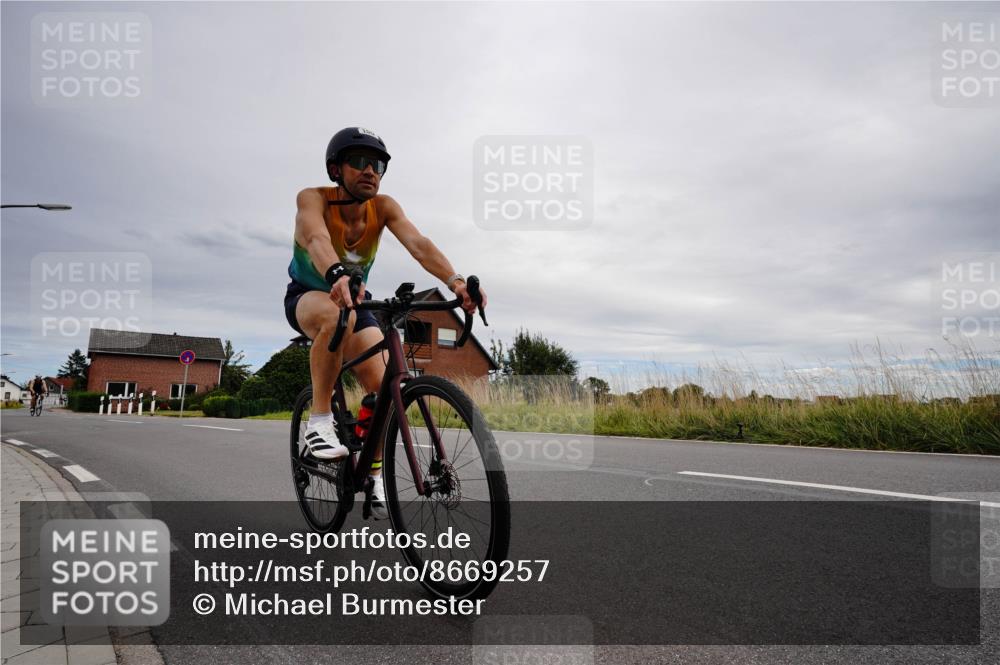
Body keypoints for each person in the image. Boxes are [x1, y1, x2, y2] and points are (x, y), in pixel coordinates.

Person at [284, 127, 485, 519]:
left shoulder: (385, 207)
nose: (369, 171)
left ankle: (373, 473)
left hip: (357, 302)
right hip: (310, 295)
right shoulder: (313, 198)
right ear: (335, 169)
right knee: (334, 313)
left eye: (376, 165)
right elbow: (314, 238)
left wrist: (456, 283)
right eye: (358, 162)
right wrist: (335, 273)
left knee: (383, 392)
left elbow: (419, 244)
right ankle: (320, 421)